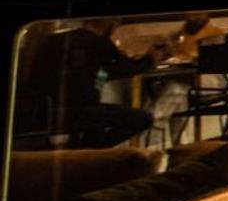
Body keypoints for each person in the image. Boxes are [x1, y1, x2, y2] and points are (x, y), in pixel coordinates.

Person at [15, 19, 158, 150]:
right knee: (143, 119)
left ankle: (85, 148)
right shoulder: (96, 42)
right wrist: (150, 59)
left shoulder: (47, 42)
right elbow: (127, 68)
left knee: (98, 123)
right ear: (109, 24)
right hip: (78, 111)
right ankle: (87, 149)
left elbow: (102, 74)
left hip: (42, 114)